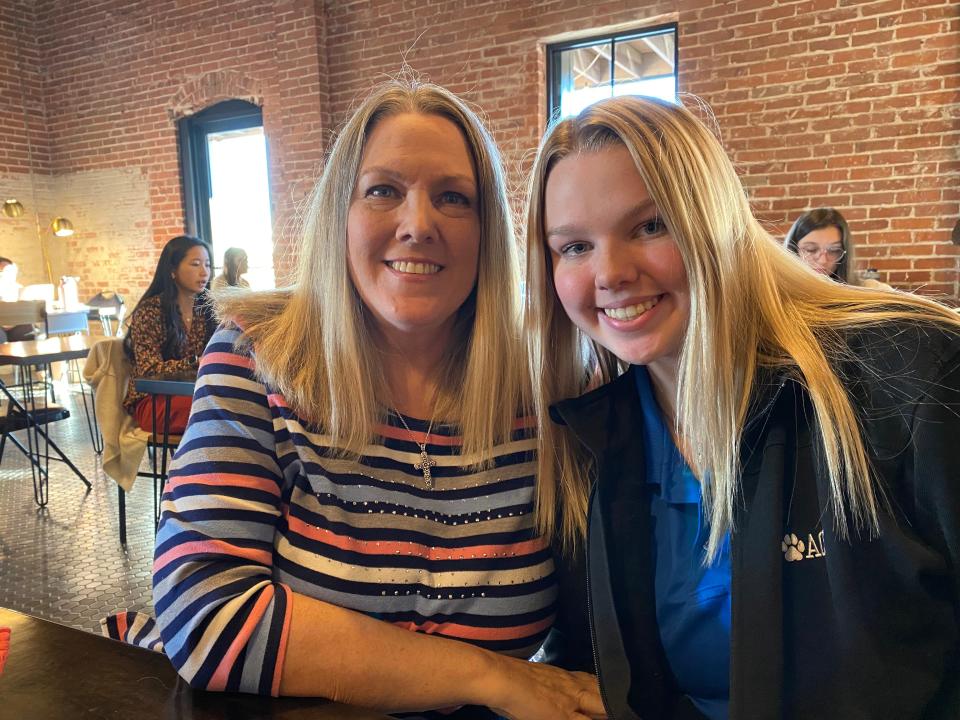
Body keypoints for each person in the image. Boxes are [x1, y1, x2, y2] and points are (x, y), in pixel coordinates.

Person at [152, 80, 602, 720]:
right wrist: (488, 677)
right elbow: (205, 616)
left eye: (453, 198)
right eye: (384, 190)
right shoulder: (259, 355)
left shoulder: (547, 383)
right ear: (341, 212)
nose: (418, 225)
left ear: (489, 232)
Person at [523, 95, 960, 719]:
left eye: (650, 227)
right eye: (573, 247)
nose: (610, 273)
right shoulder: (591, 437)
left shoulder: (910, 373)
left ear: (716, 223)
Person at [123, 235, 216, 434]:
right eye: (195, 264)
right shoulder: (151, 310)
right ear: (173, 270)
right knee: (216, 411)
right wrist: (195, 361)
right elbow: (150, 370)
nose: (204, 272)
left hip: (196, 393)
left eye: (207, 265)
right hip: (154, 400)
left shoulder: (207, 309)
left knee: (240, 402)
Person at [783, 207, 891, 288]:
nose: (823, 260)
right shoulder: (776, 293)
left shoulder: (867, 288)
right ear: (793, 249)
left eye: (834, 250)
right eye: (811, 249)